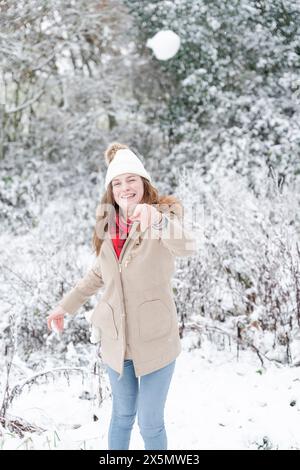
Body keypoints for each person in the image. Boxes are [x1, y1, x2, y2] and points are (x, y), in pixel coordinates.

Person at [47, 142, 197, 450]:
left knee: (150, 422)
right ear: (111, 189)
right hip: (115, 340)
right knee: (121, 416)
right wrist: (65, 306)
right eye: (117, 182)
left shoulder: (165, 214)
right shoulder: (109, 223)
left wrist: (157, 221)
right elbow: (99, 274)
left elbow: (186, 247)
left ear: (143, 182)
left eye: (130, 180)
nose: (124, 188)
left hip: (155, 337)